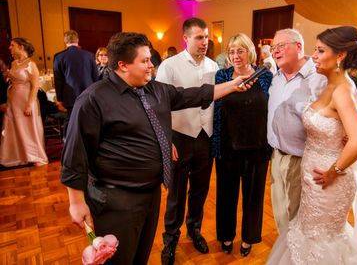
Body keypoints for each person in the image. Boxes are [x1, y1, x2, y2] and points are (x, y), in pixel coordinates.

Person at [60, 32, 252, 265]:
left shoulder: (155, 90)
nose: (152, 65)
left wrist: (232, 86)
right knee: (119, 259)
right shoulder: (93, 99)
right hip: (115, 200)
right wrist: (76, 202)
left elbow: (194, 94)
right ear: (122, 65)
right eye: (145, 60)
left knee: (140, 254)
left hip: (150, 193)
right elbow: (74, 154)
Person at [267, 26, 357, 264]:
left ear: (340, 56)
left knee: (322, 239)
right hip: (314, 175)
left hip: (327, 180)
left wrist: (333, 171)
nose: (314, 56)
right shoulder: (337, 83)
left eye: (320, 51)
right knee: (307, 235)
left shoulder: (341, 91)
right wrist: (342, 131)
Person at [156, 17, 219, 265]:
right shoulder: (169, 66)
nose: (205, 42)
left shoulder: (215, 66)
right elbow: (159, 108)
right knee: (176, 194)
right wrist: (166, 140)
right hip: (179, 138)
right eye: (199, 37)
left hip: (206, 137)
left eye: (206, 37)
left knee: (200, 190)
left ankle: (195, 230)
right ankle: (170, 240)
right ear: (186, 38)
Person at [212, 33, 273, 257]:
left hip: (257, 149)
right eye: (231, 51)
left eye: (240, 50)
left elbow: (272, 109)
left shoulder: (265, 75)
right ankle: (226, 235)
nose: (235, 56)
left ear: (250, 52)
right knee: (226, 196)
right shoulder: (222, 75)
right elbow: (215, 105)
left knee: (254, 197)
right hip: (227, 147)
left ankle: (248, 238)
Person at [267, 29, 327, 233]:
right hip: (276, 156)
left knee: (299, 218)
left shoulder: (319, 78)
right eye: (273, 48)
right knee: (281, 215)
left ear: (299, 47)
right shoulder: (275, 77)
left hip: (302, 160)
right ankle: (286, 253)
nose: (275, 52)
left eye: (281, 46)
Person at [0, 38, 48, 167]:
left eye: (12, 45)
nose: (10, 47)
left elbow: (35, 86)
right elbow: (12, 79)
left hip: (26, 99)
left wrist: (29, 104)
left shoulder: (31, 64)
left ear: (21, 47)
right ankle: (20, 156)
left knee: (28, 128)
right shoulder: (14, 63)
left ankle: (36, 156)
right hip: (14, 99)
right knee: (16, 128)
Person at [53, 30, 99, 134]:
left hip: (70, 94)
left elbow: (58, 79)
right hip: (88, 93)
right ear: (77, 40)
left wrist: (59, 98)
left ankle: (68, 141)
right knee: (87, 118)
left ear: (65, 41)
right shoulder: (89, 55)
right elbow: (95, 76)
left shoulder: (59, 56)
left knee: (71, 119)